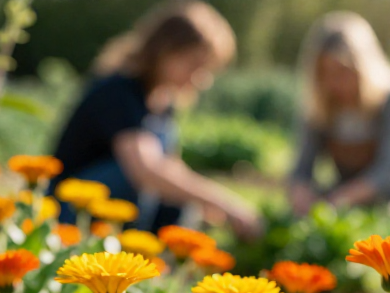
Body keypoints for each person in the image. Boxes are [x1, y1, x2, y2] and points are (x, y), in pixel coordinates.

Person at [49, 1, 260, 236]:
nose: (201, 79)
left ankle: (159, 262)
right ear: (164, 50)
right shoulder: (119, 91)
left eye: (207, 69)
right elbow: (146, 169)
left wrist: (203, 203)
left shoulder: (162, 101)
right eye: (194, 65)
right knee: (138, 176)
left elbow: (172, 168)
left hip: (113, 219)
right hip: (66, 214)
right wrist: (225, 202)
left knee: (178, 193)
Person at [289, 12, 390, 235]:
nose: (335, 83)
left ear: (363, 66)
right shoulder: (321, 107)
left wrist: (342, 199)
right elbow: (301, 169)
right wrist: (301, 193)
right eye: (326, 73)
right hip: (347, 205)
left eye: (344, 72)